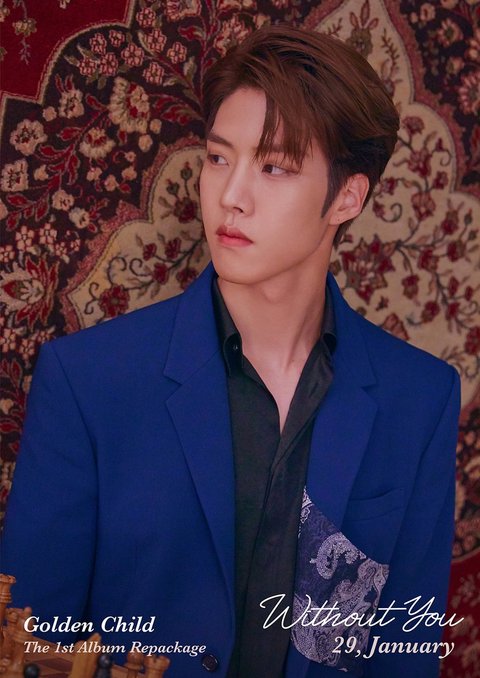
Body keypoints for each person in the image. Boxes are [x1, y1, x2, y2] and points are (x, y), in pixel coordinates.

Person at [1, 25, 460, 678]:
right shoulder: (88, 382)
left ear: (347, 197)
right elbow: (27, 647)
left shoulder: (421, 398)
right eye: (218, 158)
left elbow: (403, 655)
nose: (229, 196)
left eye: (273, 167)